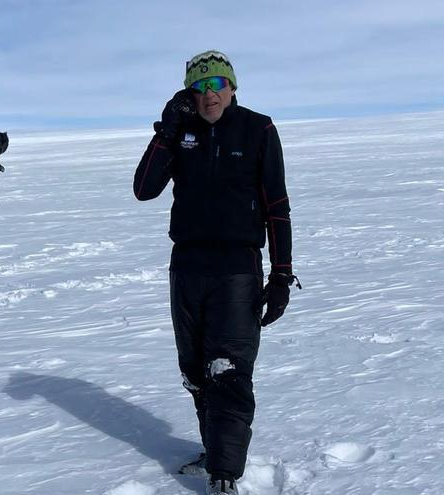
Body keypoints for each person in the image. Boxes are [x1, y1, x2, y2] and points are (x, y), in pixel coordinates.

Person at [132, 50, 299, 495]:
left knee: (228, 369)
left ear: (232, 87)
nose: (210, 95)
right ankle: (216, 450)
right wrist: (166, 132)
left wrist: (281, 275)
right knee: (194, 370)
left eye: (217, 85)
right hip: (186, 267)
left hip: (237, 270)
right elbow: (144, 189)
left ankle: (224, 473)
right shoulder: (180, 132)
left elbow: (276, 207)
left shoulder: (258, 128)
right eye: (200, 88)